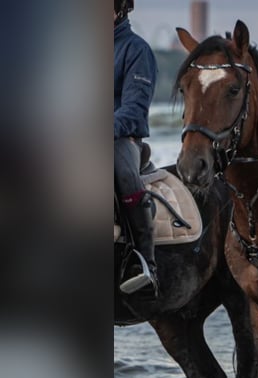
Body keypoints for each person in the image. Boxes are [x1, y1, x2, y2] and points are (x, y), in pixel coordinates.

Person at [114, 0, 159, 295]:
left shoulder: (137, 50)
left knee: (119, 168)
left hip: (120, 138)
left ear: (119, 7)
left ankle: (143, 261)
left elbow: (133, 110)